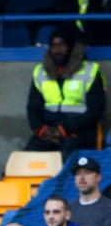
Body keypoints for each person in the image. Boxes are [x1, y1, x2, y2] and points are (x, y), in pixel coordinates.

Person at [25, 25, 106, 156]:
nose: (57, 50)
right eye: (53, 45)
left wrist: (65, 129)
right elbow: (33, 108)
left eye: (62, 45)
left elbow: (95, 111)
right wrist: (42, 130)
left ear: (72, 47)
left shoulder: (90, 71)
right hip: (50, 129)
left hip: (80, 129)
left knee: (67, 151)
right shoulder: (40, 72)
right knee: (28, 154)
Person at [69, 156, 111, 226]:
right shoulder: (68, 209)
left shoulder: (108, 207)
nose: (82, 177)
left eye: (87, 172)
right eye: (78, 173)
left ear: (98, 177)